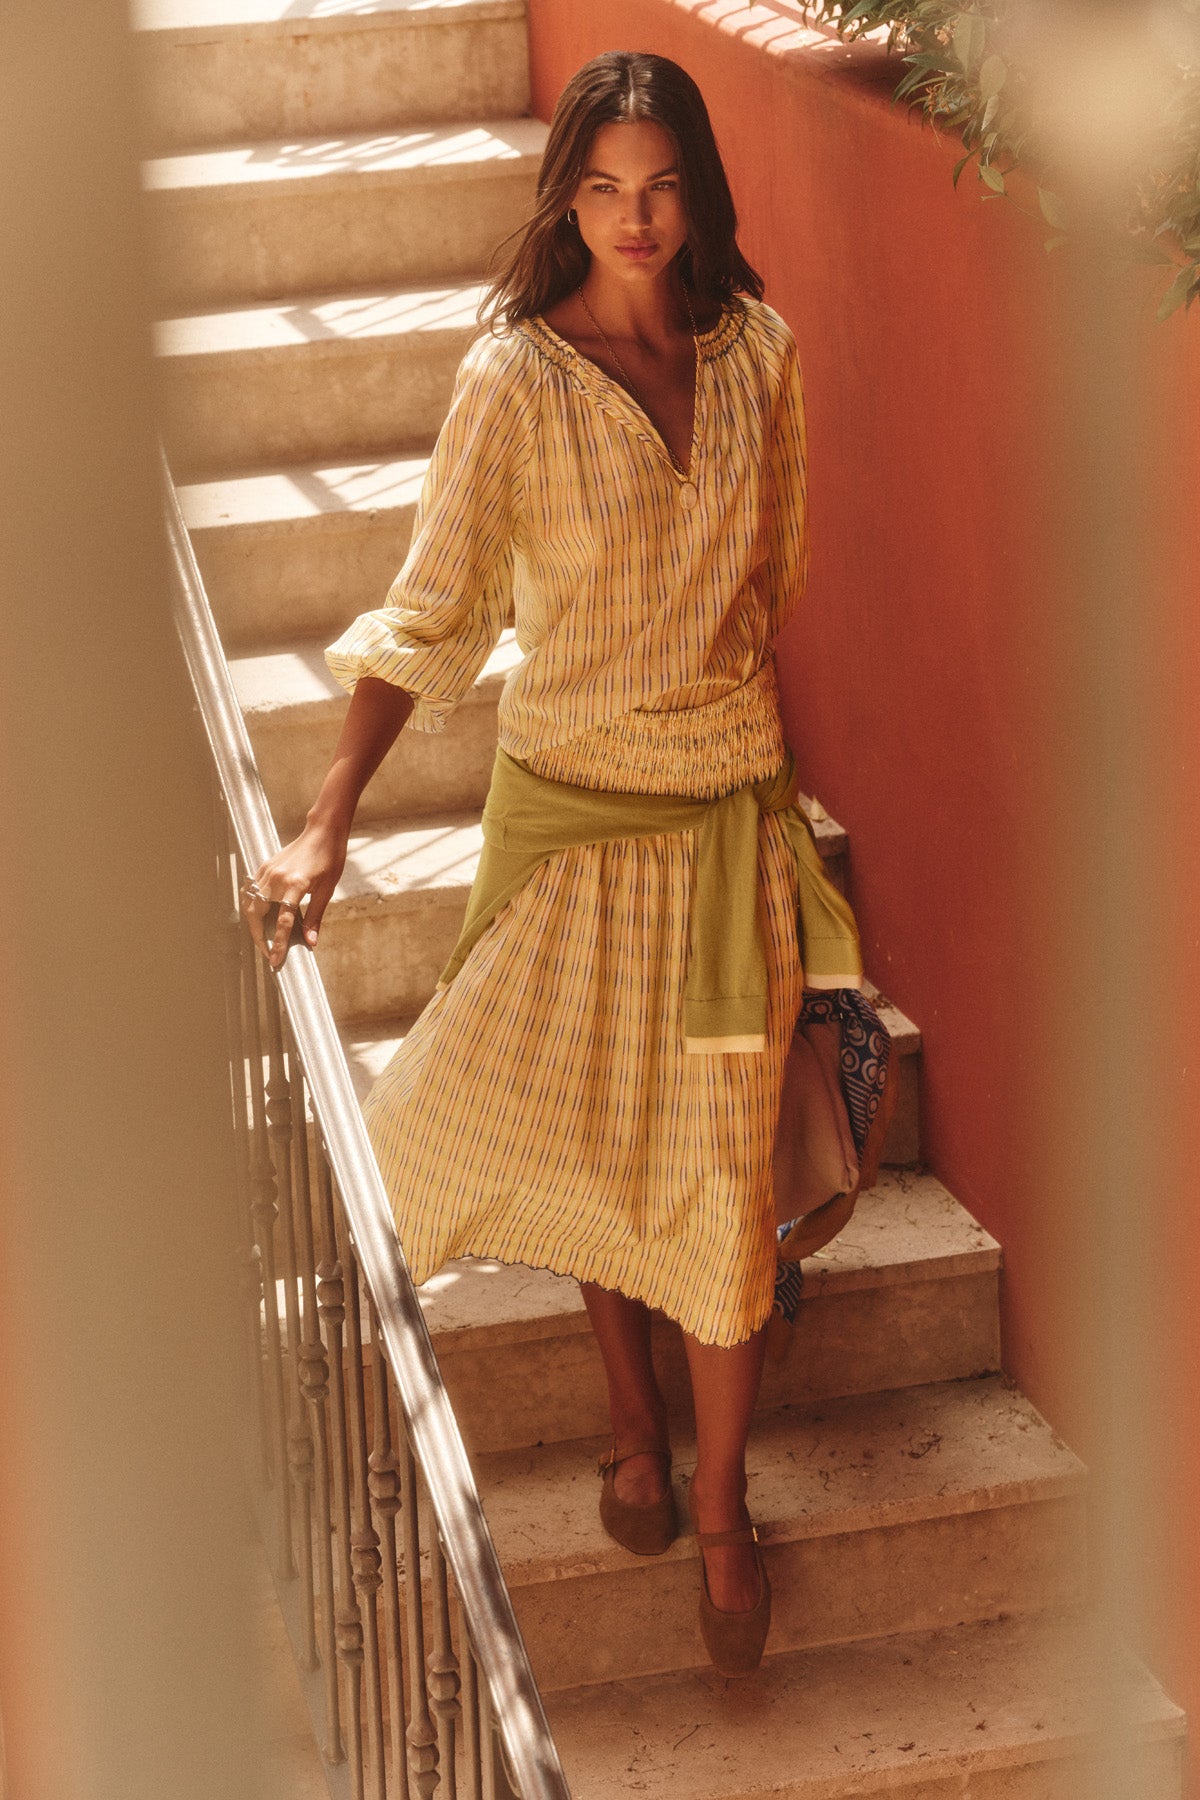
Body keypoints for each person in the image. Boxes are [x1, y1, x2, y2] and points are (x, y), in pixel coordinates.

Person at [240, 49, 869, 1677]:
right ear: (565, 197)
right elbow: (436, 609)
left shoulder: (765, 361)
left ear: (698, 191)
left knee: (719, 1191)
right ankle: (629, 1425)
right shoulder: (515, 381)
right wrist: (329, 814)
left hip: (723, 832)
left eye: (659, 187)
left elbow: (772, 579)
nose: (633, 218)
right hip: (568, 822)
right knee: (587, 1138)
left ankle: (719, 1509)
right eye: (600, 188)